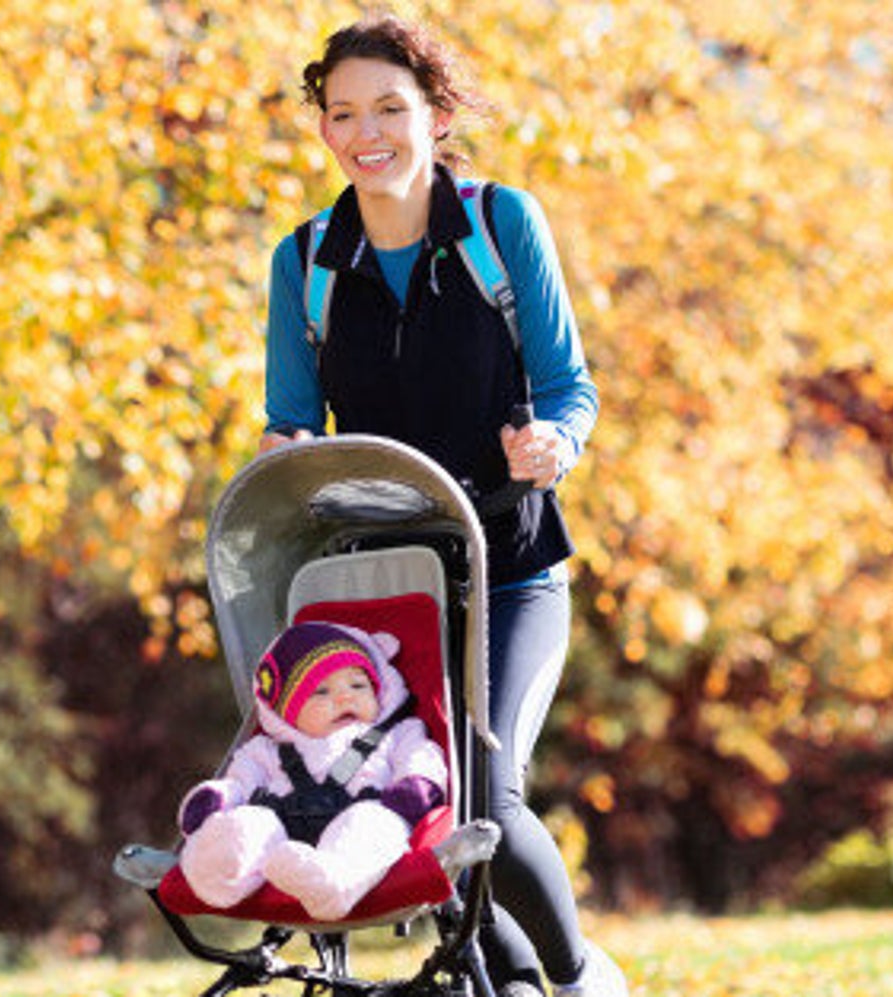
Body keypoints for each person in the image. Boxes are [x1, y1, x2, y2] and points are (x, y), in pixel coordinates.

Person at [255, 14, 624, 997]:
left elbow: (566, 386)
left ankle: (580, 977)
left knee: (485, 794)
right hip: (382, 585)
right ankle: (493, 980)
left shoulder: (502, 224)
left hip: (510, 566)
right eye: (341, 112)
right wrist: (281, 454)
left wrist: (554, 443)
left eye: (387, 106)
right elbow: (290, 420)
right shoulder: (305, 264)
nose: (363, 130)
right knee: (410, 802)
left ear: (433, 114)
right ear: (323, 128)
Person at [177, 620, 500, 921]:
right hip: (280, 839)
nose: (345, 696)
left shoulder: (397, 732)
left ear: (379, 690)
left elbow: (422, 757)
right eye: (321, 691)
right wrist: (216, 798)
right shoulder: (267, 750)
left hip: (364, 819)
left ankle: (332, 883)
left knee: (372, 825)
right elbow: (240, 781)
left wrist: (416, 786)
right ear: (287, 713)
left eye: (359, 685)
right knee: (247, 824)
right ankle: (217, 873)